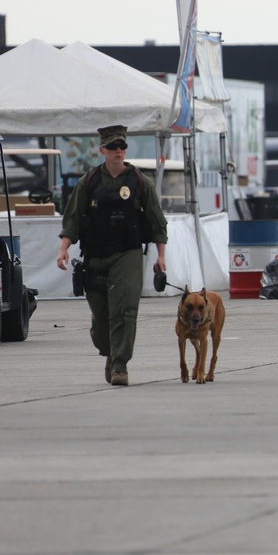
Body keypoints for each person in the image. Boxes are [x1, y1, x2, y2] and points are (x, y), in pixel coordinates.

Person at [55, 125, 168, 386]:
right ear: (102, 149)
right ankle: (110, 350)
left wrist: (161, 256)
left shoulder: (141, 182)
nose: (119, 151)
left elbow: (157, 223)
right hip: (95, 255)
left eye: (123, 146)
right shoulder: (89, 182)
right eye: (114, 146)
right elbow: (72, 218)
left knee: (124, 309)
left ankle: (120, 364)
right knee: (102, 315)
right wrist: (63, 248)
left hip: (127, 254)